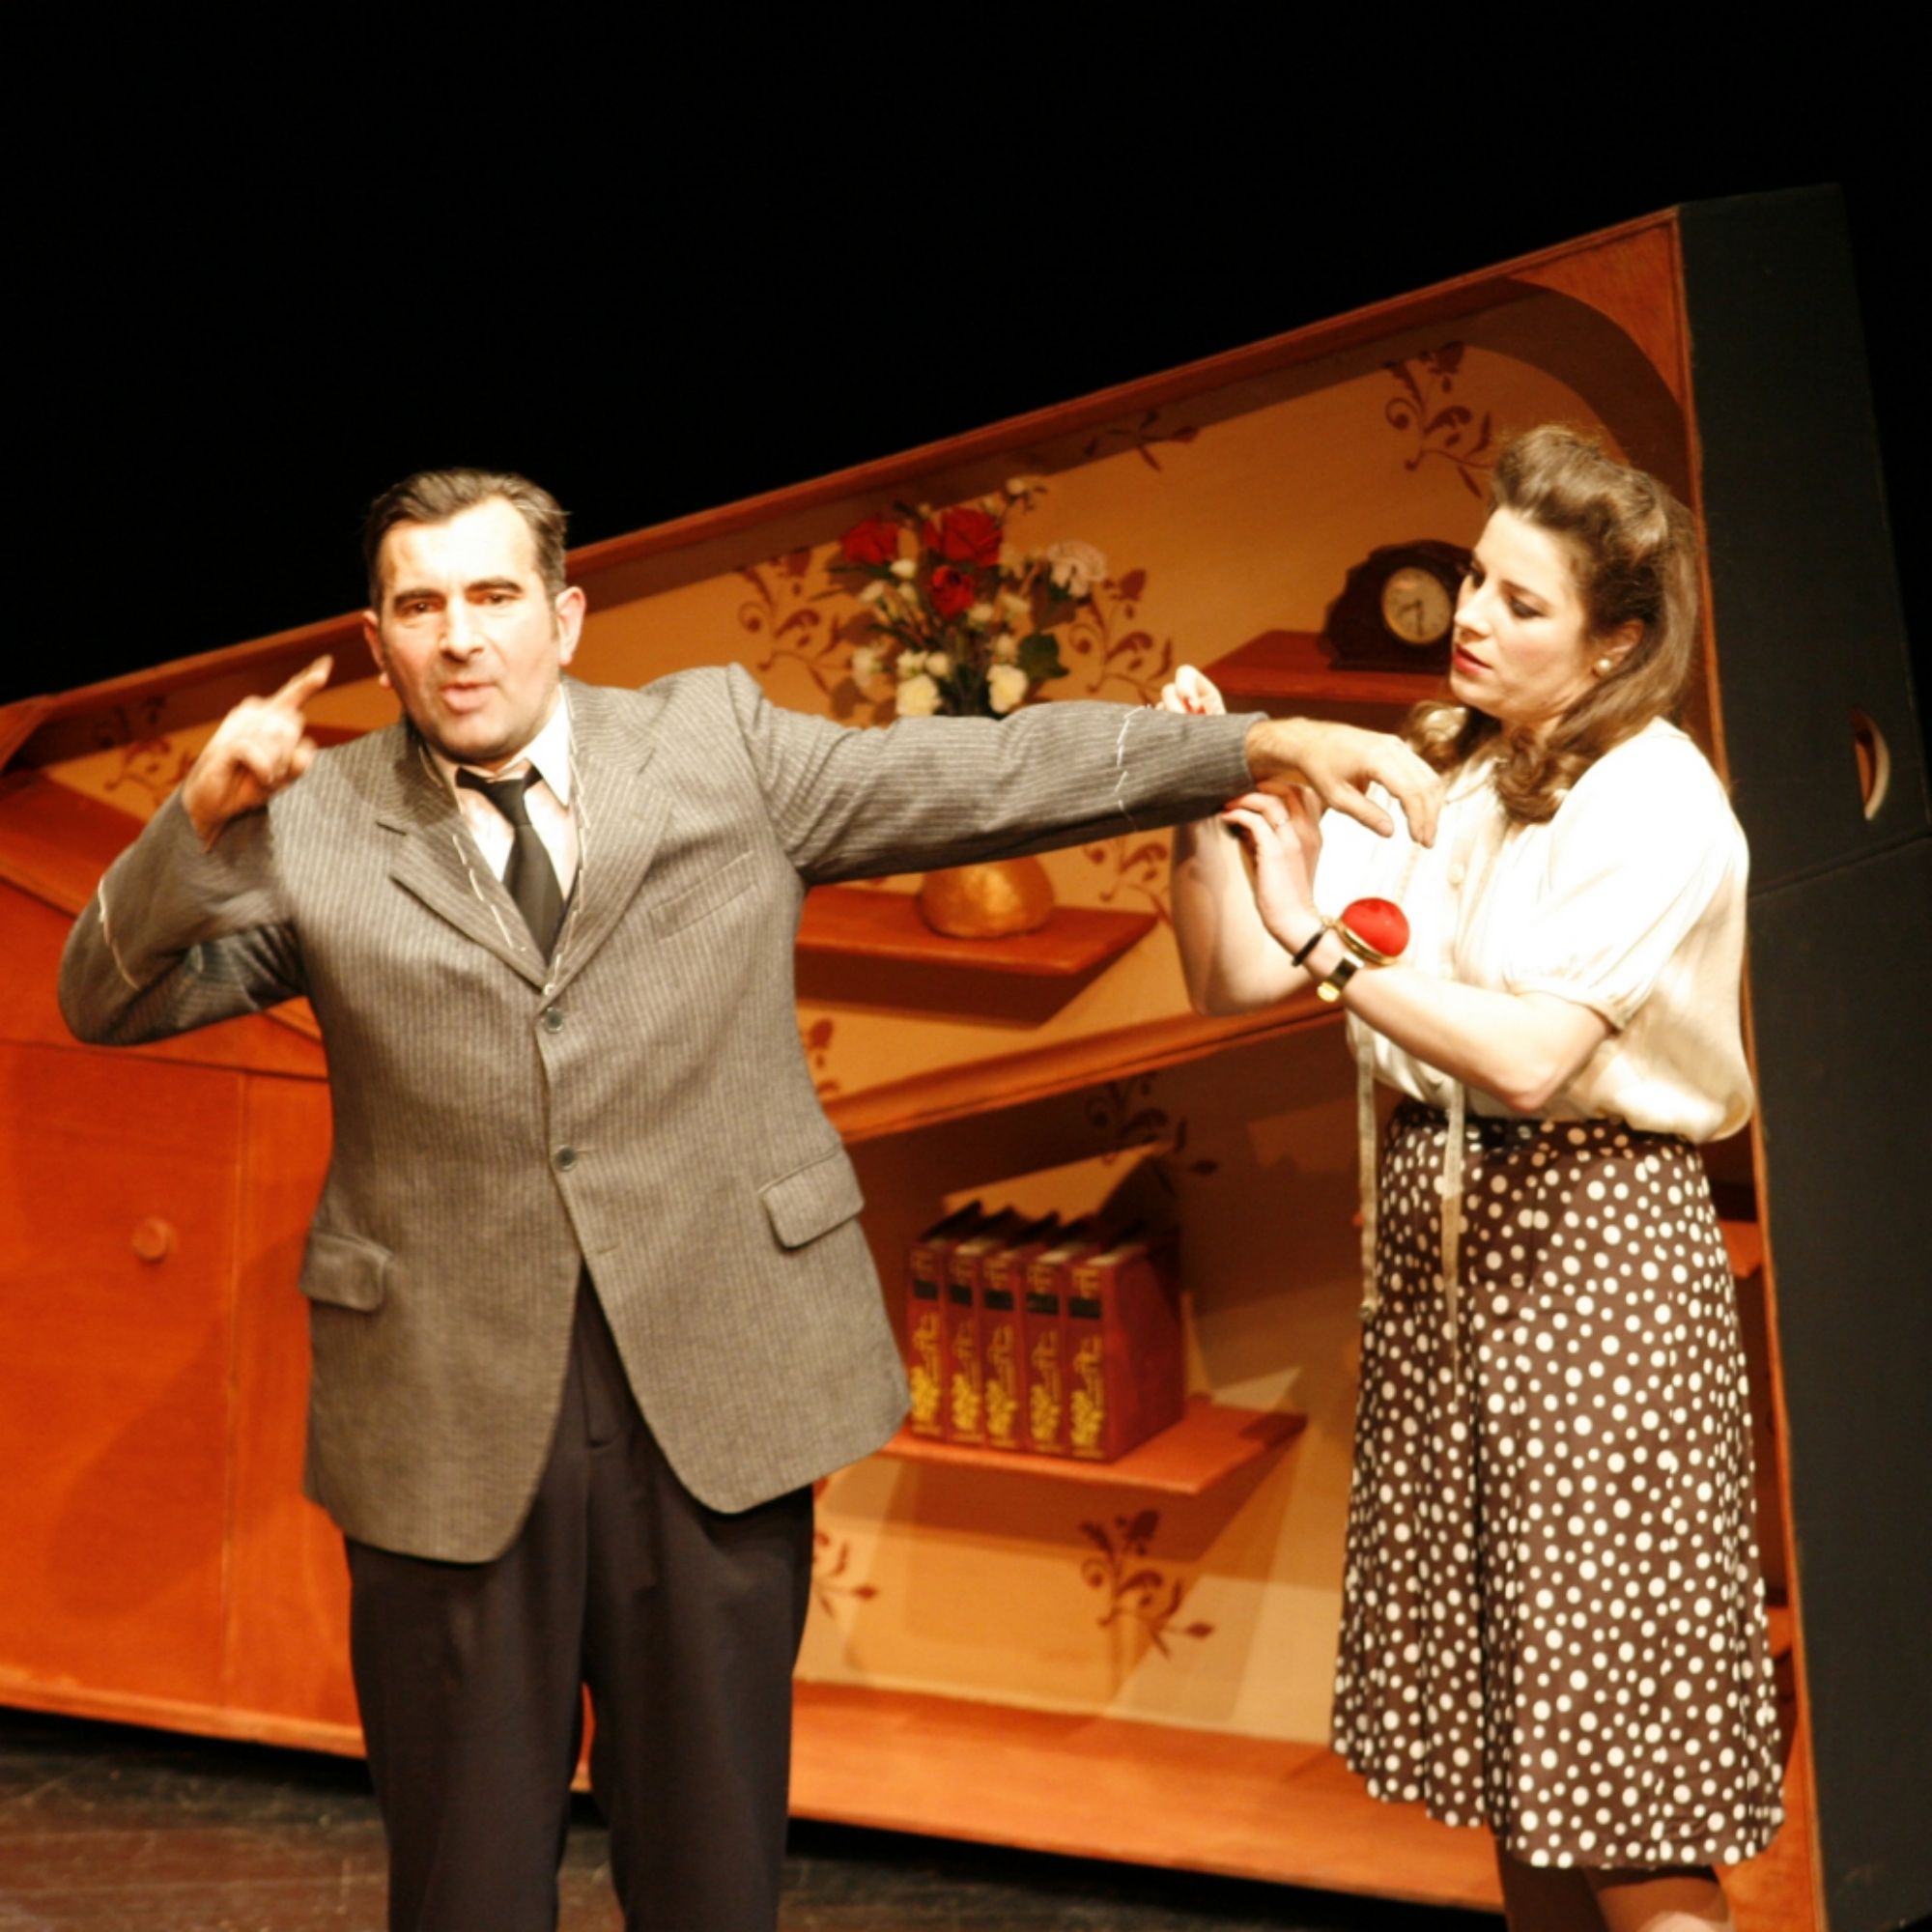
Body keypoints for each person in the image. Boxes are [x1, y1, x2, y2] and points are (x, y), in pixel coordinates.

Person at [57, 467, 1440, 1932]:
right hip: (445, 1409)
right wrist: (193, 822)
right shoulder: (318, 819)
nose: (459, 637)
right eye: (421, 606)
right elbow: (108, 998)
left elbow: (979, 775)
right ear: (378, 637)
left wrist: (1254, 743)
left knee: (711, 1873)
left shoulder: (715, 744)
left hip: (713, 1381)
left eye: (494, 597)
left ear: (563, 618)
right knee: (464, 1882)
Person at [1164, 426, 1782, 1932]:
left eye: (1521, 600)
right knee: (1524, 1766)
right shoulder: (1459, 764)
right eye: (1477, 581)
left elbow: (1525, 1058)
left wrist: (1321, 939)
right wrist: (1195, 798)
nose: (1474, 619)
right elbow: (1233, 972)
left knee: (1623, 1786)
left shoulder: (1655, 802)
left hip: (1594, 1283)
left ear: (1615, 641)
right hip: (1450, 1280)